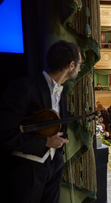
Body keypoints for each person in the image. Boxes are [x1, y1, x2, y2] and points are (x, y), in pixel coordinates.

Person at [0, 40, 82, 203]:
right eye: (80, 64)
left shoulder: (62, 90)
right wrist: (45, 143)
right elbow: (4, 135)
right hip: (27, 170)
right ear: (71, 65)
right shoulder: (24, 87)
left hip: (54, 164)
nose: (80, 68)